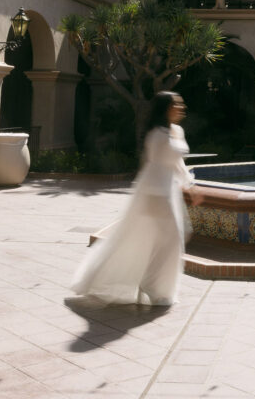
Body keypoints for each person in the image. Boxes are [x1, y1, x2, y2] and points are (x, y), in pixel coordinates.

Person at [71, 91, 196, 308]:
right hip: (155, 192)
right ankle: (154, 287)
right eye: (176, 104)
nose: (181, 107)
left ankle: (155, 286)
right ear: (165, 108)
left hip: (169, 192)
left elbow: (177, 163)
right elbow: (157, 163)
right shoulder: (157, 134)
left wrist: (189, 186)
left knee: (167, 240)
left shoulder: (176, 131)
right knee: (170, 239)